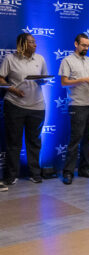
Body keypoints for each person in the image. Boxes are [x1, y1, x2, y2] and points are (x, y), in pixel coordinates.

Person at [0, 33, 48, 185]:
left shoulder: (40, 59)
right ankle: (11, 175)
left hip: (37, 106)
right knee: (14, 142)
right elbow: (0, 78)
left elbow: (44, 78)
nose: (35, 44)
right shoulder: (10, 59)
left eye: (35, 42)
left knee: (34, 142)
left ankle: (35, 173)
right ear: (22, 44)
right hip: (15, 105)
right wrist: (13, 89)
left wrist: (42, 81)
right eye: (31, 42)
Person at [59, 33, 89, 185]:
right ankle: (68, 172)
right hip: (77, 104)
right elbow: (64, 82)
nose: (86, 48)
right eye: (83, 45)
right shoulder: (67, 60)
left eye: (88, 46)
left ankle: (84, 168)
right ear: (76, 44)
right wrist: (83, 79)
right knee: (75, 140)